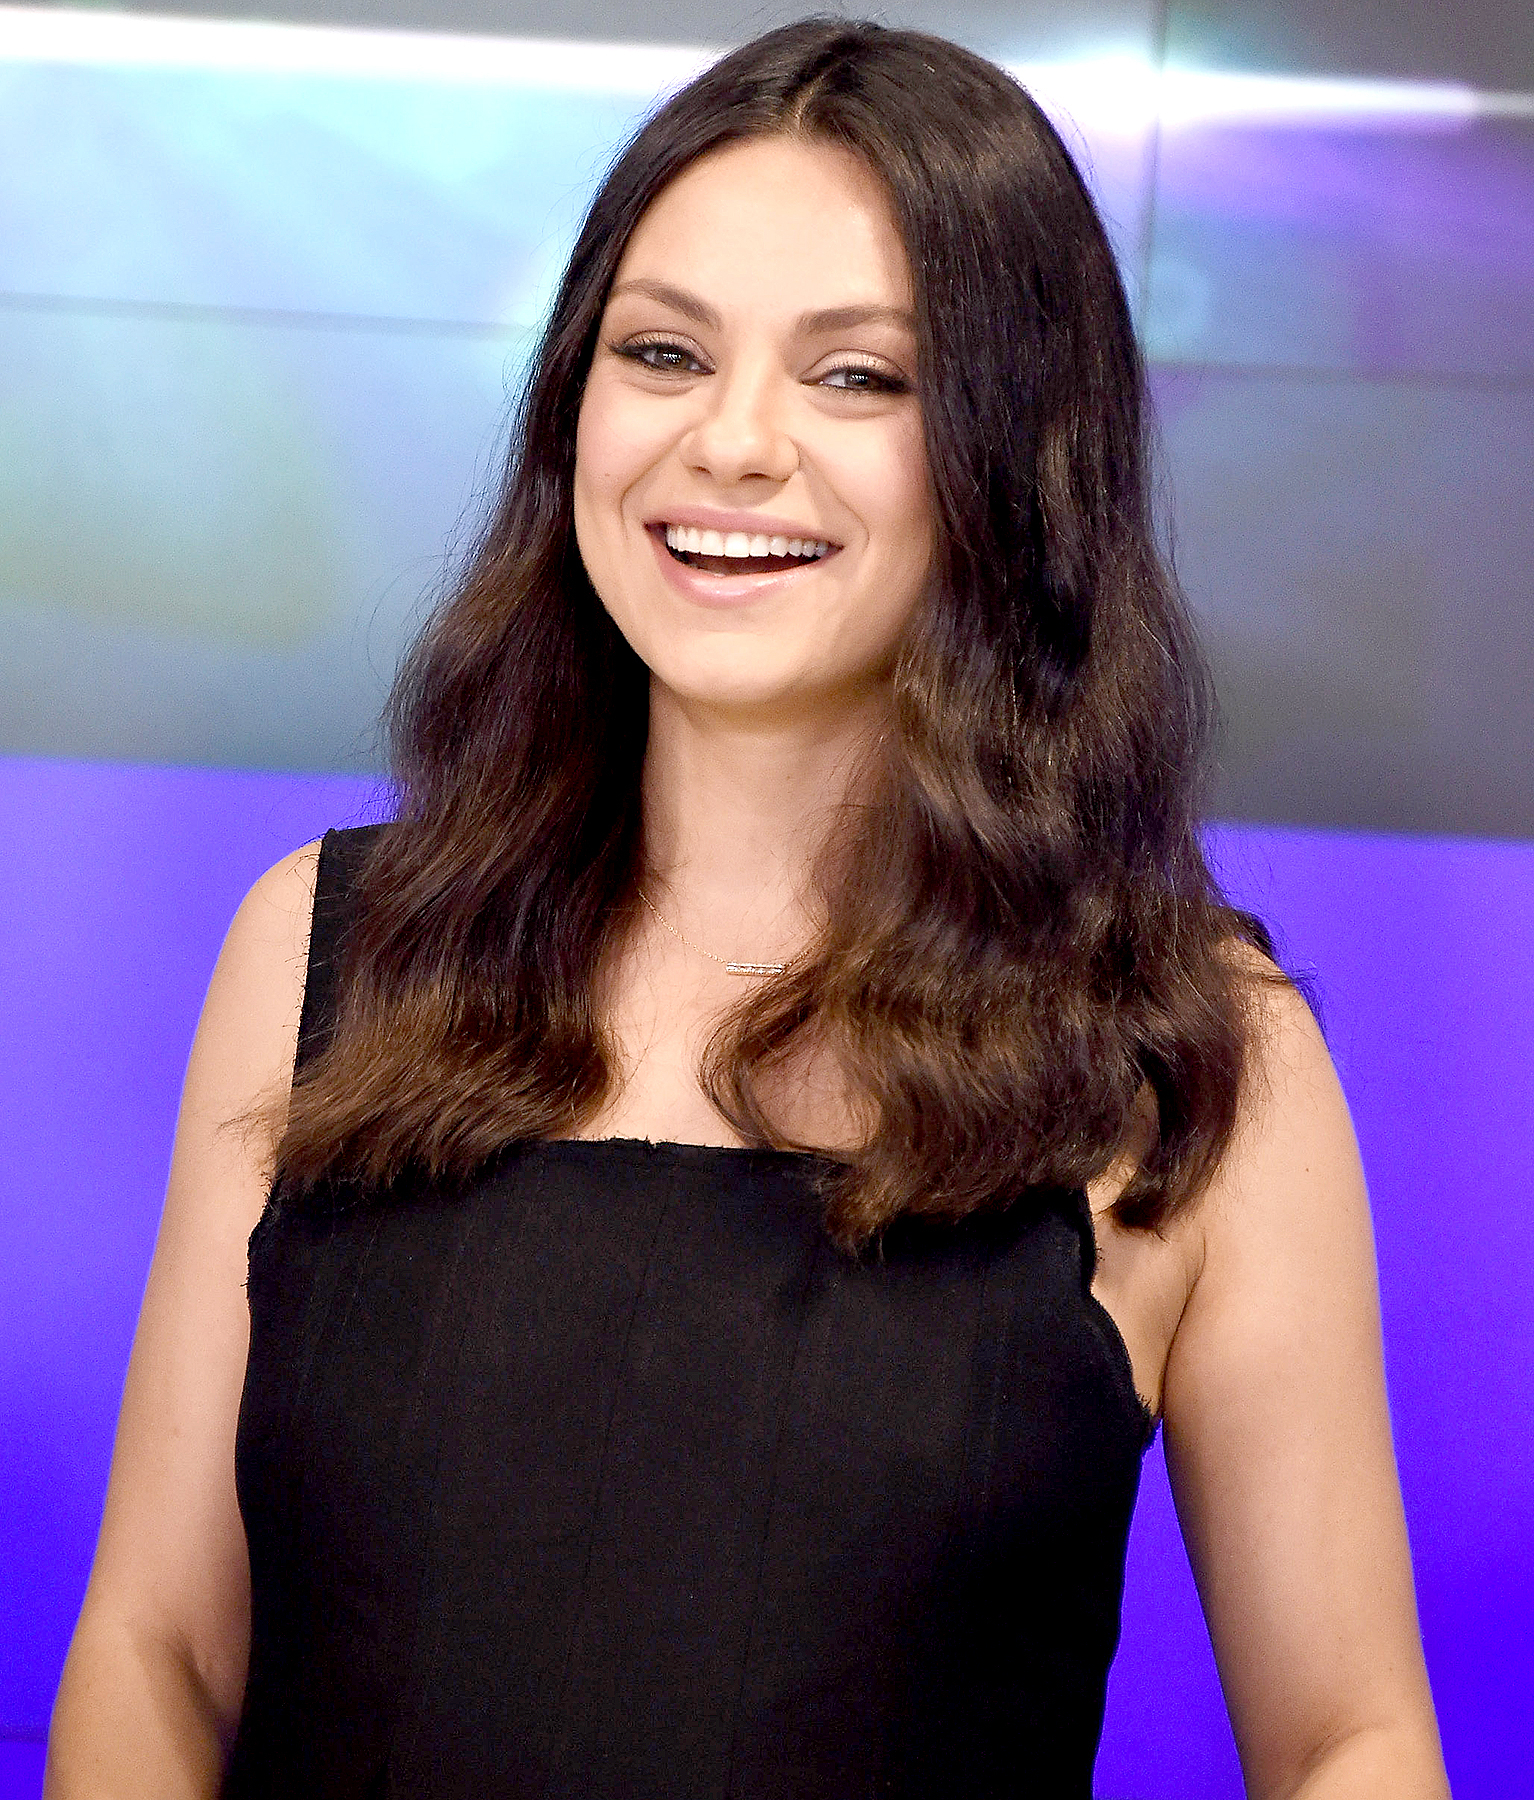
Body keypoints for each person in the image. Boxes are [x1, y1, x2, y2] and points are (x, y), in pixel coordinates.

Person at [46, 19, 1449, 1799]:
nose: (731, 443)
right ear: (572, 408)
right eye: (661, 352)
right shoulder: (326, 947)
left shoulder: (1187, 1047)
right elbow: (156, 1653)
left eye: (857, 378)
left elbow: (1348, 1739)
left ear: (1016, 453)